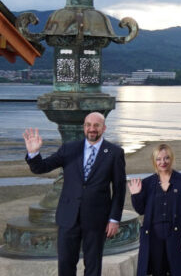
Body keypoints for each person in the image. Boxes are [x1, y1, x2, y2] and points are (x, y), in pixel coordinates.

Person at [23, 112, 126, 276]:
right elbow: (41, 167)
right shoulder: (69, 148)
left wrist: (114, 219)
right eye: (88, 125)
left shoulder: (114, 153)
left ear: (104, 128)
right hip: (68, 217)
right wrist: (34, 154)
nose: (92, 129)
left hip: (96, 218)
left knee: (93, 266)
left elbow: (119, 189)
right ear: (84, 127)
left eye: (96, 125)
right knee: (65, 264)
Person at [129, 144, 181, 276]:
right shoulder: (147, 183)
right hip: (154, 237)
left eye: (166, 158)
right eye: (159, 159)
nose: (163, 162)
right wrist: (136, 195)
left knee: (178, 271)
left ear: (171, 159)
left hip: (177, 236)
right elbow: (141, 210)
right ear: (154, 161)